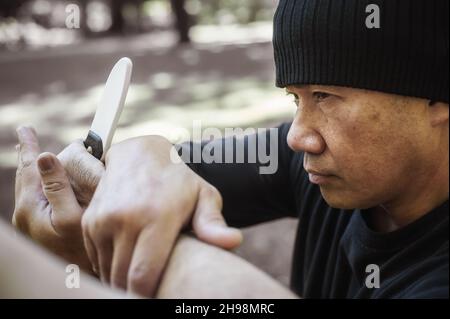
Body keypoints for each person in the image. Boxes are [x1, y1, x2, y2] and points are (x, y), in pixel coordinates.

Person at [10, 0, 449, 298]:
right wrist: (140, 156)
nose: (298, 137)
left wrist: (118, 248)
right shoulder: (325, 165)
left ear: (435, 100)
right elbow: (179, 163)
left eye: (326, 97)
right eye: (296, 99)